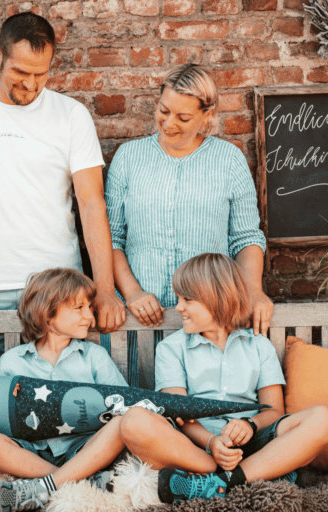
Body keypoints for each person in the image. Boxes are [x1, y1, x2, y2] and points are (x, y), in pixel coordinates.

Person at [0, 12, 125, 381]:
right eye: (20, 72)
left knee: (68, 407)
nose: (31, 84)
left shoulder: (72, 115)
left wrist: (104, 289)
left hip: (61, 290)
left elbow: (91, 203)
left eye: (41, 73)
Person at [119, 253, 328, 503]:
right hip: (194, 447)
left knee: (324, 418)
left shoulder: (258, 345)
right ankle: (260, 473)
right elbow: (178, 413)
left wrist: (250, 424)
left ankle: (219, 483)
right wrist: (212, 442)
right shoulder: (171, 348)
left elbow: (275, 411)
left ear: (217, 299)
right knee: (133, 422)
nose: (178, 307)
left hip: (252, 444)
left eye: (187, 299)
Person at [105, 64, 273, 337]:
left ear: (206, 116)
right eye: (164, 110)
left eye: (183, 117)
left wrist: (253, 292)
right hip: (140, 317)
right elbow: (111, 237)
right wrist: (133, 292)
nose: (169, 123)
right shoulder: (128, 158)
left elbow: (246, 238)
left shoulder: (229, 159)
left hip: (210, 316)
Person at [0, 268, 129, 512]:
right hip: (32, 452)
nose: (89, 316)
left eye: (89, 308)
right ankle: (79, 481)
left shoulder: (94, 357)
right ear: (47, 314)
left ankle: (43, 487)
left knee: (121, 426)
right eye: (79, 308)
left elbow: (124, 403)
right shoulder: (12, 361)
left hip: (85, 448)